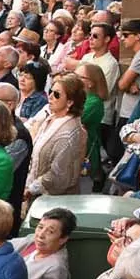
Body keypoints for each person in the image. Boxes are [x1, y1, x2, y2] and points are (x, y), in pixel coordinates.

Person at [25, 73, 89, 203]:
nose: (50, 97)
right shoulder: (51, 118)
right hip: (37, 193)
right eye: (51, 91)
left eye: (57, 94)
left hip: (54, 201)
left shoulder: (68, 133)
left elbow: (58, 174)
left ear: (70, 102)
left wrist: (31, 189)